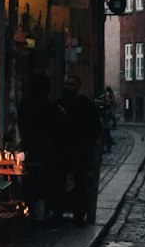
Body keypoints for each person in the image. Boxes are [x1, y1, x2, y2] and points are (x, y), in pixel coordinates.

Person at [17, 74, 69, 225]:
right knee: (51, 185)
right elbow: (57, 129)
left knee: (32, 184)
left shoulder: (24, 105)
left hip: (31, 151)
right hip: (50, 152)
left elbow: (23, 127)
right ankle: (50, 215)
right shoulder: (50, 106)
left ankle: (33, 214)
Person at [59, 75, 105, 225]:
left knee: (80, 182)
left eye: (70, 84)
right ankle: (58, 212)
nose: (67, 87)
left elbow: (95, 128)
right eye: (65, 84)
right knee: (60, 180)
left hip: (81, 150)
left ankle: (79, 214)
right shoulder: (60, 103)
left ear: (78, 87)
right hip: (63, 149)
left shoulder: (87, 105)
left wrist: (87, 144)